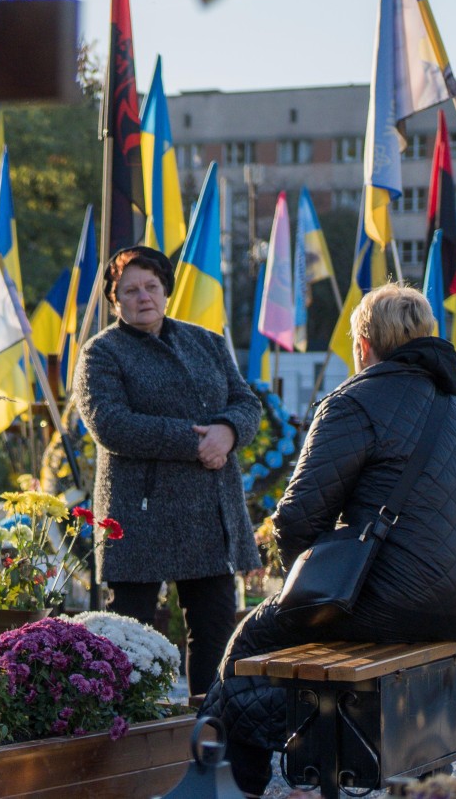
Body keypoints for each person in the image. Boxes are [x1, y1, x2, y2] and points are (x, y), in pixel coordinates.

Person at [202, 283, 456, 798]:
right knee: (301, 633)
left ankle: (238, 786)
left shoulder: (353, 402)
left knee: (249, 641)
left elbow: (297, 516)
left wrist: (310, 584)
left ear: (363, 344)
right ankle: (415, 767)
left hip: (407, 598)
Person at [74, 245, 263, 698]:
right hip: (138, 517)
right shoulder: (101, 353)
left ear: (166, 291)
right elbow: (111, 425)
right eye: (131, 289)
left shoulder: (207, 342)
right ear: (114, 299)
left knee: (215, 631)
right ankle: (126, 733)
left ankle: (210, 731)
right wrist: (199, 442)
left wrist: (230, 431)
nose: (144, 297)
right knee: (128, 638)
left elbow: (247, 403)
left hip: (207, 515)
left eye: (152, 286)